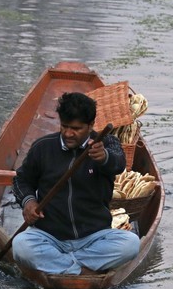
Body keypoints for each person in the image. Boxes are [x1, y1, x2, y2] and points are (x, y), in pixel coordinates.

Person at [11, 91, 139, 275]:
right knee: (21, 246)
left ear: (90, 125)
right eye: (64, 126)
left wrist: (104, 158)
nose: (68, 133)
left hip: (94, 237)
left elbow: (118, 163)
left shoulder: (107, 143)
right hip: (49, 236)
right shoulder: (43, 147)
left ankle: (61, 267)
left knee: (131, 244)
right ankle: (81, 271)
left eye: (76, 129)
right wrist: (29, 202)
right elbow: (21, 180)